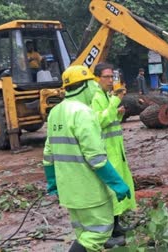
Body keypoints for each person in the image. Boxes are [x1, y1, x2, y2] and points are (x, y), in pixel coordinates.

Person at [43, 65, 131, 252]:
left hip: (69, 190)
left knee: (83, 233)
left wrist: (52, 181)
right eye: (93, 83)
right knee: (98, 233)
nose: (95, 87)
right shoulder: (83, 113)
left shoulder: (55, 112)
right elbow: (96, 158)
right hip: (88, 190)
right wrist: (117, 184)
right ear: (84, 86)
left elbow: (48, 154)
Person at [92, 63, 137, 240]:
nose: (111, 81)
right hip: (106, 151)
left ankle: (116, 226)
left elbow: (109, 118)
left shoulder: (105, 95)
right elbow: (99, 121)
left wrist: (117, 113)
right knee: (108, 192)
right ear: (97, 78)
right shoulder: (96, 97)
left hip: (116, 150)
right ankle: (107, 233)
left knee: (117, 189)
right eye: (107, 77)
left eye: (112, 77)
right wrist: (115, 102)